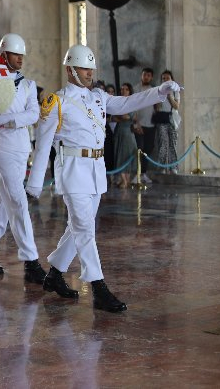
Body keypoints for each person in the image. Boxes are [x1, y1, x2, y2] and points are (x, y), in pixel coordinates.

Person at [26, 45, 182, 312]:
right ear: (70, 70)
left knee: (78, 227)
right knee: (85, 229)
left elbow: (127, 103)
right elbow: (43, 144)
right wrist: (34, 183)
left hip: (96, 171)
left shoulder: (98, 97)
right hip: (73, 171)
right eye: (84, 69)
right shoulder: (57, 101)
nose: (90, 73)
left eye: (91, 69)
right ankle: (98, 288)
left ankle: (54, 274)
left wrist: (160, 91)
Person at [0, 33, 47, 284]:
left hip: (21, 146)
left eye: (22, 55)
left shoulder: (28, 85)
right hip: (1, 146)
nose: (20, 59)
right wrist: (6, 120)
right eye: (15, 54)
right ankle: (31, 261)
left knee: (6, 200)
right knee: (17, 200)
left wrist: (10, 120)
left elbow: (34, 113)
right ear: (3, 55)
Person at [153, 70, 181, 173]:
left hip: (172, 119)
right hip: (162, 119)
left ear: (172, 79)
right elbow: (156, 108)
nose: (165, 80)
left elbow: (176, 106)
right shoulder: (159, 91)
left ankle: (174, 167)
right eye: (163, 78)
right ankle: (162, 167)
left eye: (167, 78)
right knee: (163, 144)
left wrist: (169, 97)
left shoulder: (175, 91)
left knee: (173, 143)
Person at [112, 83, 138, 188]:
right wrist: (119, 116)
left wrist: (119, 115)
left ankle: (127, 179)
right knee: (119, 154)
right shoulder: (118, 102)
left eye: (126, 89)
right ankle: (123, 179)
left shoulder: (132, 103)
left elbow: (127, 116)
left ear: (130, 91)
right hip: (119, 131)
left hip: (127, 132)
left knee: (127, 154)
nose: (123, 91)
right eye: (122, 89)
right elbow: (113, 117)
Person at [133, 67, 156, 183]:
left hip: (150, 125)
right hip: (139, 125)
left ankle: (143, 173)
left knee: (147, 150)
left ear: (151, 77)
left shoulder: (154, 90)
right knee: (139, 149)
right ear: (141, 76)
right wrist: (136, 124)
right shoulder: (135, 89)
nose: (146, 77)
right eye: (144, 75)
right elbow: (133, 106)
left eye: (148, 75)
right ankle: (136, 173)